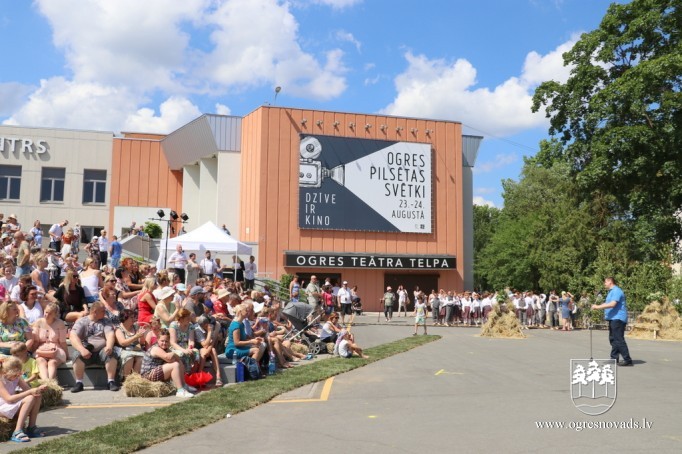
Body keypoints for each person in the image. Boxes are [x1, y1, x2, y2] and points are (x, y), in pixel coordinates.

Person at [69, 302, 120, 392]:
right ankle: (79, 383)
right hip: (87, 351)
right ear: (95, 312)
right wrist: (82, 349)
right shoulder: (82, 321)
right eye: (103, 311)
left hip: (102, 351)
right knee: (76, 355)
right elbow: (73, 335)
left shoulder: (106, 321)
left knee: (111, 353)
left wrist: (109, 346)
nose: (105, 312)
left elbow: (110, 335)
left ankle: (111, 382)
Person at [0, 356, 48, 443]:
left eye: (19, 374)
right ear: (4, 372)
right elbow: (9, 399)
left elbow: (28, 390)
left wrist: (38, 389)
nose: (17, 377)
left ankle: (31, 427)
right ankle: (17, 431)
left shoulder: (17, 378)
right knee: (29, 398)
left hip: (9, 405)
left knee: (36, 396)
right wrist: (30, 392)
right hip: (2, 407)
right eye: (15, 375)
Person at [140, 328, 195, 398]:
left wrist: (174, 355)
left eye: (166, 341)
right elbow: (168, 358)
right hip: (148, 374)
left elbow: (177, 359)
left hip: (156, 370)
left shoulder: (166, 349)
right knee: (175, 365)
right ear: (157, 340)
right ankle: (180, 390)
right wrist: (174, 354)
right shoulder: (155, 348)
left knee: (178, 362)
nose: (164, 343)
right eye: (162, 341)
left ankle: (184, 385)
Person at [592, 277, 633, 367]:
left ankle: (627, 360)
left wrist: (597, 307)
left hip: (618, 318)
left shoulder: (617, 291)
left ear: (610, 282)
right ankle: (614, 358)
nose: (604, 284)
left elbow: (612, 304)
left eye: (605, 282)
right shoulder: (611, 292)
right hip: (613, 318)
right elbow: (607, 303)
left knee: (618, 339)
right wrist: (597, 306)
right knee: (613, 339)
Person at [31, 303, 69, 380]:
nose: (47, 315)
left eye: (50, 313)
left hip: (57, 349)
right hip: (41, 349)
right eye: (46, 312)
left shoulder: (60, 323)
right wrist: (32, 352)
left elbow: (62, 342)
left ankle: (50, 382)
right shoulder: (38, 322)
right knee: (40, 361)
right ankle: (47, 382)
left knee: (52, 363)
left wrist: (66, 354)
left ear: (55, 314)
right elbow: (36, 341)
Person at [115, 309, 148, 378]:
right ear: (125, 318)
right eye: (131, 317)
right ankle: (126, 378)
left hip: (137, 350)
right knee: (129, 358)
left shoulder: (135, 327)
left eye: (134, 317)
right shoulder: (118, 329)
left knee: (141, 358)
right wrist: (136, 336)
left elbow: (141, 342)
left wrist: (142, 335)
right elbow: (123, 343)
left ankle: (134, 379)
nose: (134, 319)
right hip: (125, 350)